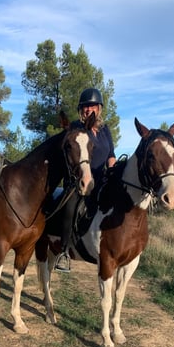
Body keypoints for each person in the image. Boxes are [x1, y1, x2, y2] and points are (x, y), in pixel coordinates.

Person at [55, 88, 116, 272]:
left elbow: (111, 155)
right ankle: (64, 252)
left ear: (99, 108)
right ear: (81, 110)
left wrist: (113, 173)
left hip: (100, 180)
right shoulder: (76, 127)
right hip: (77, 181)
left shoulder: (105, 131)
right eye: (85, 107)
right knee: (71, 204)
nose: (88, 109)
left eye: (92, 106)